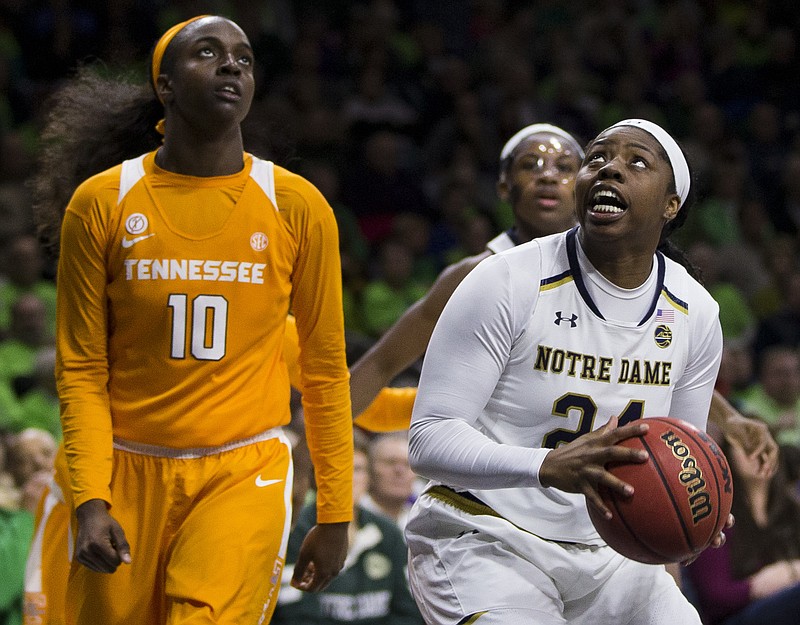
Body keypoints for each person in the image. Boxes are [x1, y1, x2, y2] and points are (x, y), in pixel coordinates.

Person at [41, 15, 353, 624]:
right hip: (126, 466)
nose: (232, 65)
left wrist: (335, 512)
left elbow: (324, 368)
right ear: (165, 85)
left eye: (244, 57)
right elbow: (80, 368)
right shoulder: (101, 202)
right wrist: (89, 499)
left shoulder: (297, 205)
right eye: (208, 53)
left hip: (244, 467)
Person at [404, 119, 728, 624]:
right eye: (597, 158)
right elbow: (427, 442)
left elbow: (683, 450)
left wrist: (698, 506)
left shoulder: (696, 312)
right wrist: (544, 466)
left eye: (636, 162)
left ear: (671, 205)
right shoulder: (506, 278)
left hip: (611, 554)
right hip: (485, 535)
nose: (610, 169)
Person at [348, 122, 778, 471]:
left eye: (564, 165)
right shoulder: (482, 275)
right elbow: (383, 364)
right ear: (503, 186)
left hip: (588, 512)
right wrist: (326, 453)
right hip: (493, 492)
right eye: (531, 165)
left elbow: (642, 371)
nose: (547, 175)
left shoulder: (654, 286)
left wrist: (727, 418)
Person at [272, 430, 424, 625]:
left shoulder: (388, 534)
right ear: (319, 475)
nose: (348, 479)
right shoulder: (296, 530)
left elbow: (408, 610)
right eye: (339, 469)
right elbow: (293, 613)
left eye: (357, 469)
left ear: (369, 478)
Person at [685, 437, 800, 625]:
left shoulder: (792, 509)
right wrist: (755, 587)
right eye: (746, 444)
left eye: (765, 445)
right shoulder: (716, 516)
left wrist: (788, 573)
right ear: (727, 456)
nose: (757, 453)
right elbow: (715, 597)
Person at [359, 431, 419, 532]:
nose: (399, 471)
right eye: (390, 462)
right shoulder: (356, 518)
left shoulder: (420, 521)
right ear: (370, 469)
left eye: (407, 465)